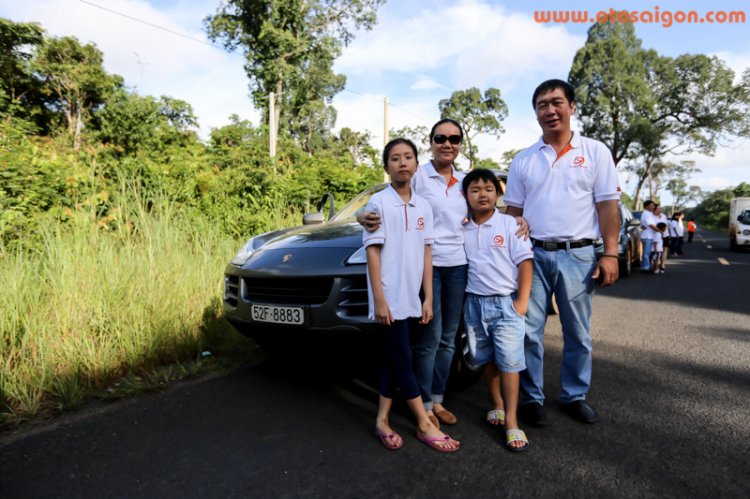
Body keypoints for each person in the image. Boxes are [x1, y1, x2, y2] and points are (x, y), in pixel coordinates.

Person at [358, 119, 529, 429]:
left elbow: (484, 206)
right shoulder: (420, 174)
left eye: (454, 138)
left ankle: (437, 399)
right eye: (440, 138)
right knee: (430, 337)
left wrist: (516, 220)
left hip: (460, 266)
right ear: (432, 143)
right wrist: (361, 214)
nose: (447, 143)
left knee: (449, 339)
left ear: (460, 144)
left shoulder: (465, 181)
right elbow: (390, 196)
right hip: (429, 266)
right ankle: (421, 403)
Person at [504, 79, 621, 427]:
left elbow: (608, 206)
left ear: (571, 107)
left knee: (578, 333)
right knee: (527, 330)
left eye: (557, 102)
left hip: (579, 255)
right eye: (542, 104)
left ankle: (574, 395)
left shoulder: (596, 152)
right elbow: (512, 213)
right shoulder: (524, 160)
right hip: (532, 256)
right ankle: (531, 398)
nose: (550, 110)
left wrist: (610, 253)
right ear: (536, 112)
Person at [365, 138, 459, 452]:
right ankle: (423, 422)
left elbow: (427, 253)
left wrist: (428, 297)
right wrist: (379, 299)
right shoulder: (378, 203)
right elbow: (373, 253)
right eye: (395, 158)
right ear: (386, 166)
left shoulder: (423, 206)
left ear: (416, 165)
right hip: (388, 294)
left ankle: (381, 421)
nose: (402, 163)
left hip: (411, 295)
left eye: (408, 157)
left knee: (393, 359)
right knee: (403, 356)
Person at [461, 169, 534, 452]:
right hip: (474, 305)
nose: (483, 194)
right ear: (465, 196)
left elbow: (525, 263)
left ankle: (513, 421)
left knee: (510, 362)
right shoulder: (463, 228)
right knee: (486, 357)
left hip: (506, 304)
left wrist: (521, 302)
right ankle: (497, 405)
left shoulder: (510, 224)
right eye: (475, 189)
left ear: (497, 193)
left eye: (489, 189)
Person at [640, 201, 659, 272]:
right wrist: (659, 230)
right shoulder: (646, 214)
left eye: (653, 206)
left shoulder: (650, 213)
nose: (653, 207)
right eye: (651, 206)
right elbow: (651, 225)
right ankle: (645, 268)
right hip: (647, 236)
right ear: (646, 207)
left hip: (650, 236)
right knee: (646, 253)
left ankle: (649, 266)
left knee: (649, 253)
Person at [654, 205, 669, 272]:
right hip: (656, 235)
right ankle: (655, 266)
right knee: (656, 250)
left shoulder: (663, 216)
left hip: (665, 235)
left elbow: (666, 226)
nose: (660, 210)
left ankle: (662, 265)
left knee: (665, 249)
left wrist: (669, 234)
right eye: (658, 209)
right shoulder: (651, 216)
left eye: (660, 208)